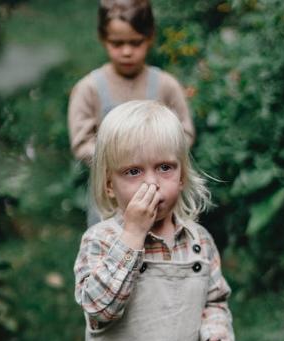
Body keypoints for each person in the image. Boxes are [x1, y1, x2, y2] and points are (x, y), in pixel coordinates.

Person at [73, 100, 235, 341]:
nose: (152, 183)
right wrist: (133, 233)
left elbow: (214, 300)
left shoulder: (198, 242)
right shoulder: (101, 240)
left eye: (164, 168)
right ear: (110, 185)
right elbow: (99, 310)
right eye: (133, 171)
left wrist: (215, 330)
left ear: (182, 174)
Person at [68, 0, 194, 226]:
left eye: (135, 43)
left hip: (161, 196)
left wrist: (157, 156)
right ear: (103, 39)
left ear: (150, 37)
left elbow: (184, 135)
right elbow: (81, 144)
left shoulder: (166, 86)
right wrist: (120, 159)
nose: (127, 51)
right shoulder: (89, 89)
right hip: (112, 200)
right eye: (117, 43)